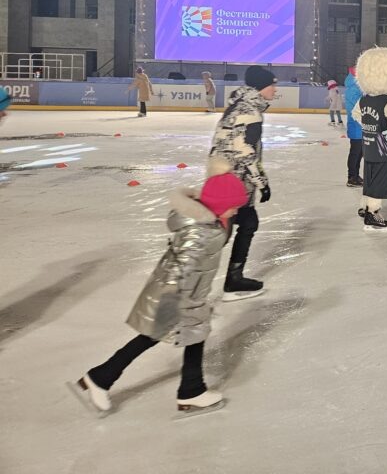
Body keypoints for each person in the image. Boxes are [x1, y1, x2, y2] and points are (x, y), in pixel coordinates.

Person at [71, 159, 249, 416]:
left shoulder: (210, 223)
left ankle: (190, 389)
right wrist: (186, 301)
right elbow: (183, 269)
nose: (235, 211)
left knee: (191, 335)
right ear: (221, 205)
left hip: (185, 295)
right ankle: (102, 377)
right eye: (233, 207)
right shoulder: (201, 231)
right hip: (178, 296)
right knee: (155, 337)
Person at [209, 65, 276, 300]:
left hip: (223, 178)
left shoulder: (236, 107)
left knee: (243, 225)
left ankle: (233, 278)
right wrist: (262, 183)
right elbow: (246, 152)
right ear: (262, 87)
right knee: (219, 235)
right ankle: (191, 286)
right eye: (272, 85)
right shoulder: (250, 113)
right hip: (234, 184)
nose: (275, 90)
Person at [354, 47, 387, 232]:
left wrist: (369, 128)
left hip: (369, 148)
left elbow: (356, 115)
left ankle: (364, 205)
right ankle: (372, 213)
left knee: (370, 178)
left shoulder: (364, 100)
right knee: (381, 182)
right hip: (385, 151)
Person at [344, 67, 363, 187]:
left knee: (359, 153)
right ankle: (351, 177)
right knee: (355, 153)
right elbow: (357, 107)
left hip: (359, 126)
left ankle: (355, 175)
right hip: (356, 126)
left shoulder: (356, 87)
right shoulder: (353, 89)